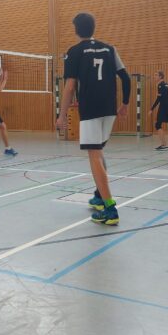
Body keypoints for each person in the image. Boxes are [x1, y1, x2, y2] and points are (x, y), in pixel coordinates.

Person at [56, 12, 131, 226]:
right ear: (93, 28)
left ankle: (110, 209)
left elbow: (70, 87)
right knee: (99, 151)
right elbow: (125, 77)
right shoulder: (109, 49)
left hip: (90, 109)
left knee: (94, 155)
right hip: (109, 108)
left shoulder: (74, 52)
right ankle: (99, 195)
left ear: (76, 29)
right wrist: (125, 103)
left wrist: (61, 115)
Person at [148, 71, 168, 150]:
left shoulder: (160, 85)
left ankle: (163, 145)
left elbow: (158, 99)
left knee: (158, 125)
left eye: (156, 75)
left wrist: (152, 109)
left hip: (164, 107)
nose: (154, 76)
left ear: (160, 77)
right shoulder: (166, 84)